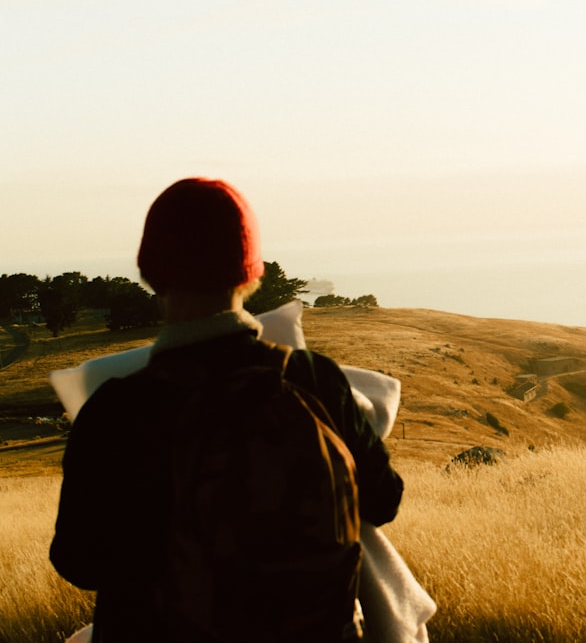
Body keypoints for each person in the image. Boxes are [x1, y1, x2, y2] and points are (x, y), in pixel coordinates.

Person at [50, 178, 404, 641]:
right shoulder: (314, 381)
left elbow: (79, 561)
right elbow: (384, 499)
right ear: (251, 275)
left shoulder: (116, 410)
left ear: (151, 275)